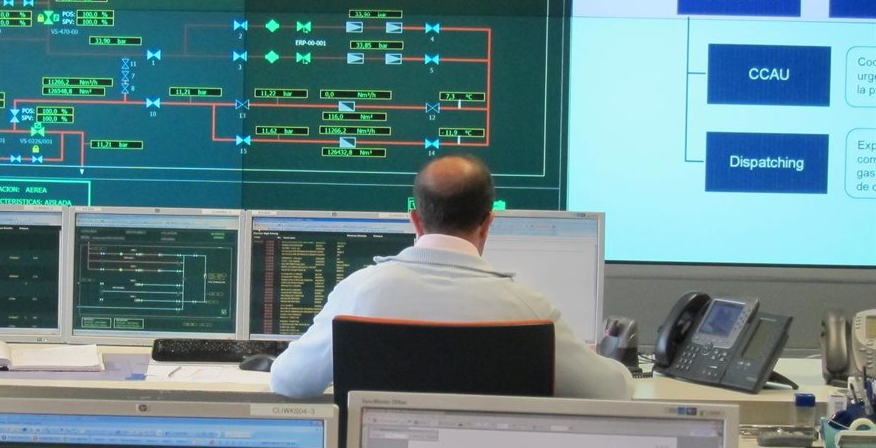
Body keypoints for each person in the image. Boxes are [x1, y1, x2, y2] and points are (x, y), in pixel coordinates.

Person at [269, 153, 634, 400]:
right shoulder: (527, 308)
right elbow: (612, 391)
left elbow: (289, 382)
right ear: (488, 223)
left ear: (415, 221)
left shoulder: (359, 294)